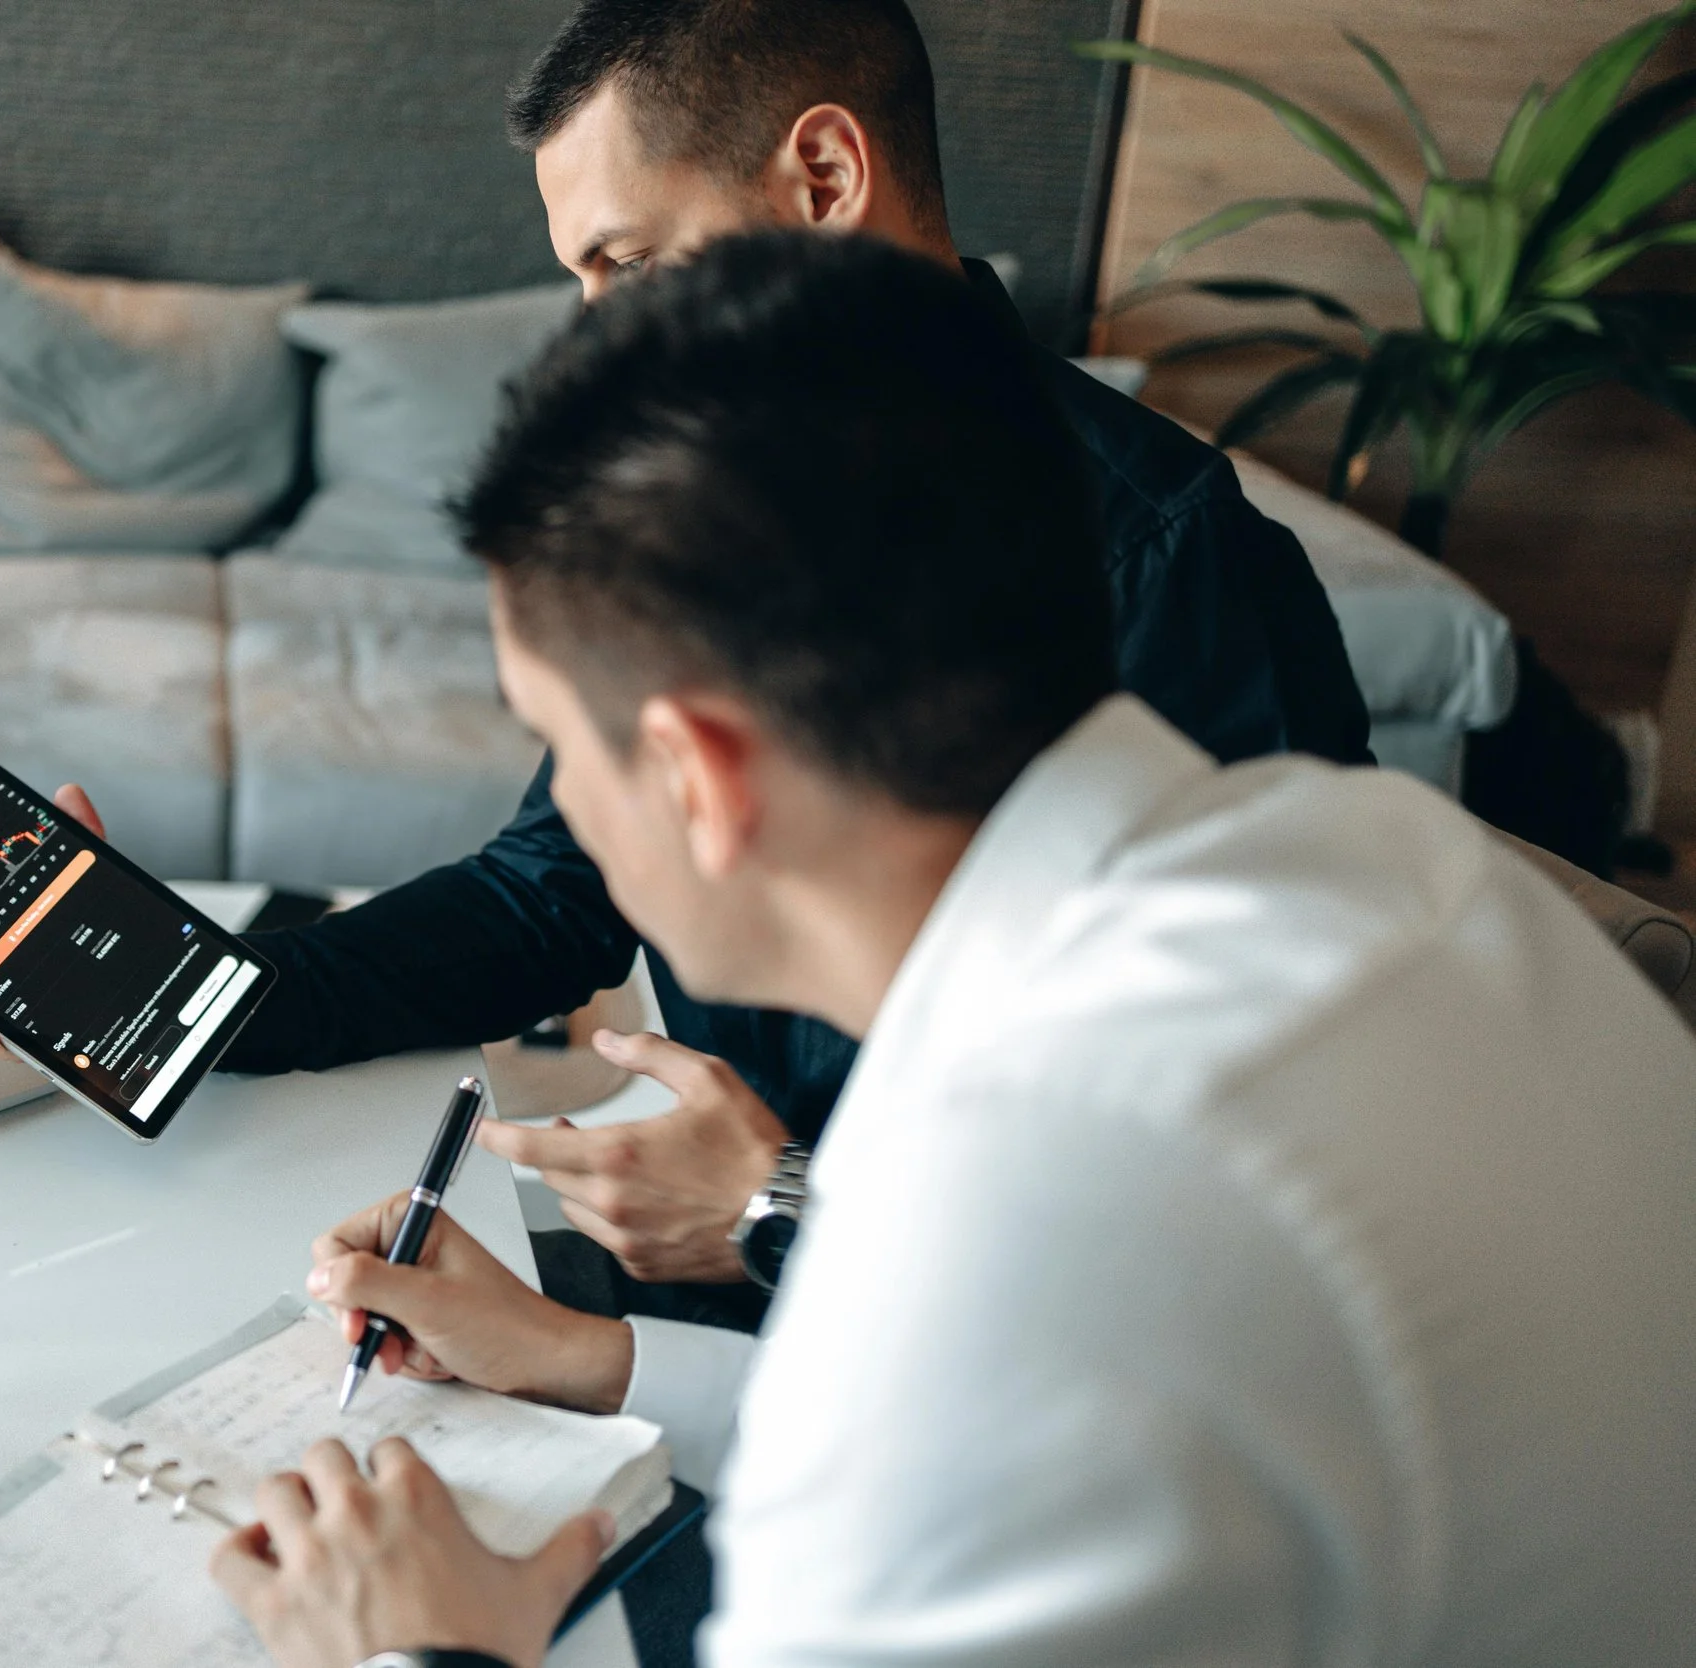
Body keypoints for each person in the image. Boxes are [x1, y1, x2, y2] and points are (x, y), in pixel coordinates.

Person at [204, 233, 1696, 1668]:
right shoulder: (1381, 857)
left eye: (557, 743)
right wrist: (586, 1357)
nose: (558, 804)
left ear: (702, 782)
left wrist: (421, 1648)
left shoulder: (1012, 1199)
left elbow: (986, 1352)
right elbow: (982, 1407)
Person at [0, 0, 1375, 1320]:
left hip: (971, 1355)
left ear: (826, 179)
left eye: (629, 262)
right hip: (752, 1274)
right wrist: (156, 990)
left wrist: (781, 1212)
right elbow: (546, 894)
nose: (600, 335)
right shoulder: (716, 507)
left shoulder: (1170, 562)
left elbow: (1232, 1183)